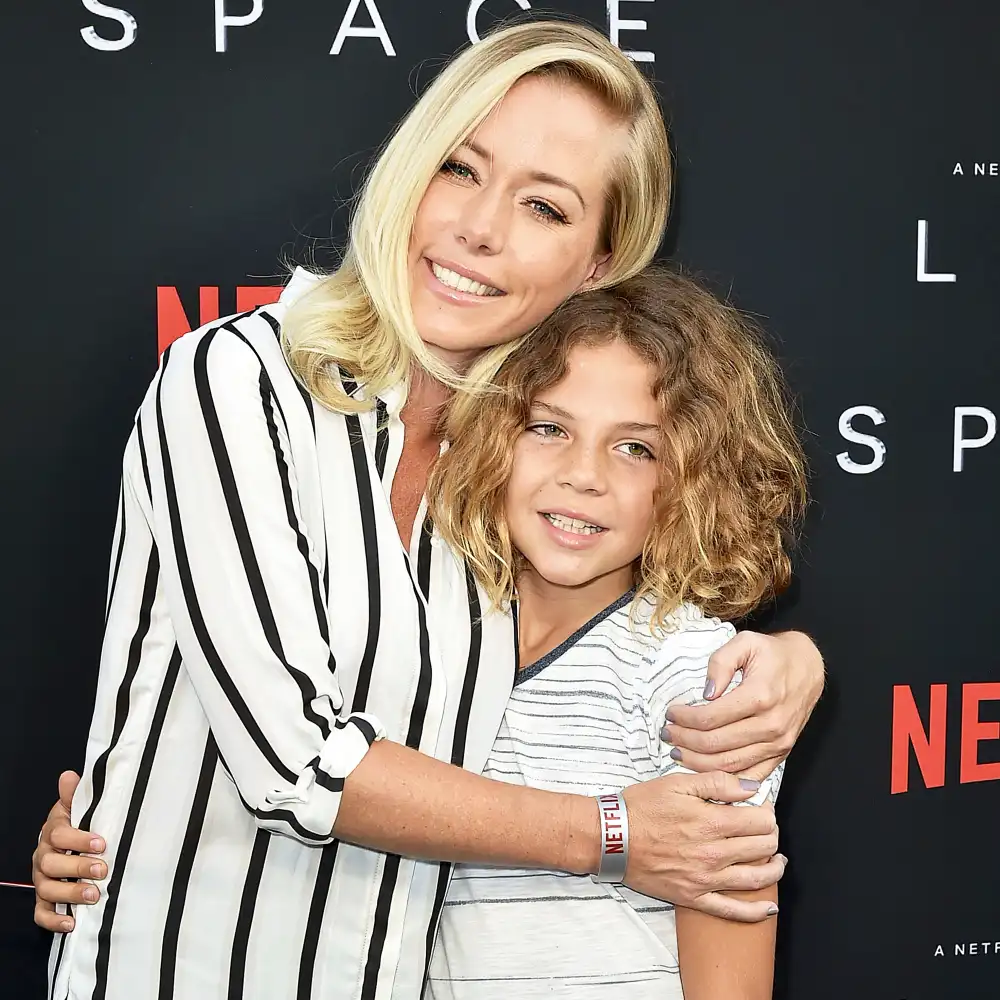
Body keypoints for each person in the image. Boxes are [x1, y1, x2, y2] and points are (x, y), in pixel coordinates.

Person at [32, 20, 824, 1000]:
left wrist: (789, 666)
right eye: (459, 168)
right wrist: (615, 832)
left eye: (543, 205)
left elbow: (615, 654)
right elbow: (291, 761)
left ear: (595, 264)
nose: (480, 227)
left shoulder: (507, 473)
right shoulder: (233, 382)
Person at [423, 266, 805, 999]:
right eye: (549, 428)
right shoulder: (434, 632)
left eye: (636, 448)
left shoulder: (698, 679)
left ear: (693, 480)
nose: (583, 476)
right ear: (486, 431)